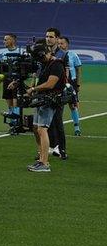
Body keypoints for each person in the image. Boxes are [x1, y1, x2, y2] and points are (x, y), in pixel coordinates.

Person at [11, 41, 65, 172]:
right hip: (42, 99)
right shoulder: (45, 64)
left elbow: (50, 84)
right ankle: (41, 158)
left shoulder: (57, 64)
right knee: (36, 128)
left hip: (50, 99)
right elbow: (34, 77)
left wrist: (34, 88)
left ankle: (45, 164)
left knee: (42, 129)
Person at [45, 28, 67, 159]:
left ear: (57, 39)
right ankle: (51, 147)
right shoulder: (44, 53)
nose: (48, 39)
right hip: (45, 91)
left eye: (51, 37)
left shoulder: (63, 54)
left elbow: (66, 74)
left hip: (57, 92)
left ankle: (62, 149)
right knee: (45, 123)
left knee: (57, 121)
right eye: (47, 36)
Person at [0, 33, 22, 128]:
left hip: (16, 80)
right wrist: (1, 76)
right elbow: (3, 67)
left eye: (6, 39)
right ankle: (12, 123)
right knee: (9, 103)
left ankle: (17, 123)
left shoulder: (20, 52)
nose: (4, 41)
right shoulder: (4, 53)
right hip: (6, 80)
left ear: (12, 40)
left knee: (16, 102)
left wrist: (17, 79)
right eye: (4, 39)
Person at [59, 36, 82, 136]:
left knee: (73, 105)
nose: (60, 45)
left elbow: (78, 69)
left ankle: (77, 128)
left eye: (62, 43)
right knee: (58, 105)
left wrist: (77, 83)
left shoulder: (73, 55)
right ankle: (57, 127)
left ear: (67, 44)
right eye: (59, 43)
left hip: (71, 82)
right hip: (58, 82)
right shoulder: (56, 55)